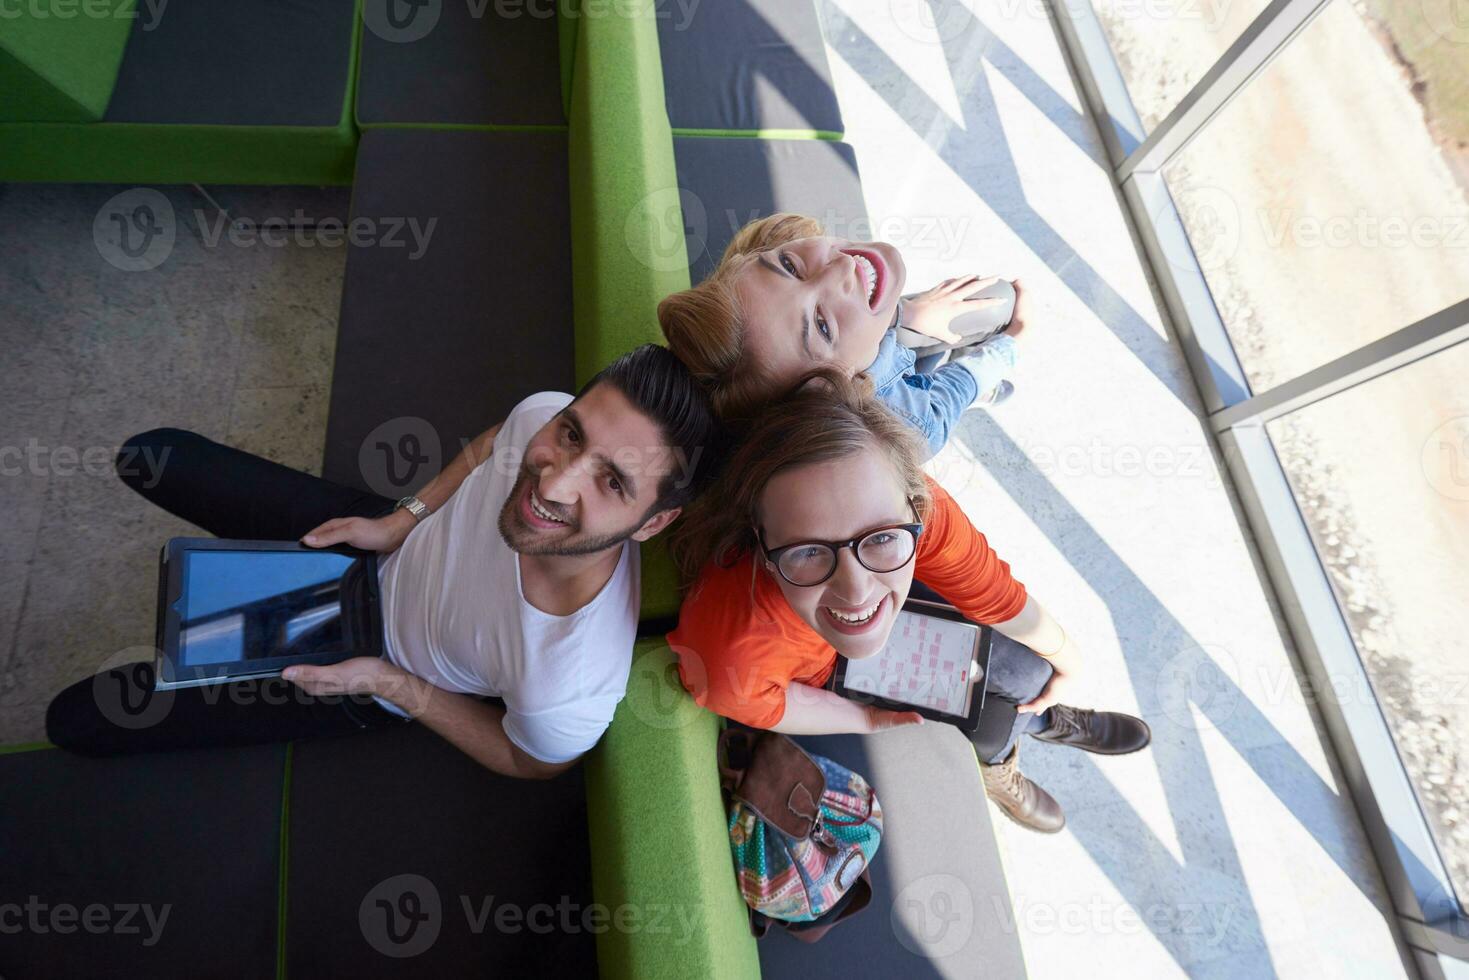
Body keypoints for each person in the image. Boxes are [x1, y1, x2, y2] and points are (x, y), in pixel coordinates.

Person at [46, 344, 723, 780]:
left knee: (80, 719)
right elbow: (496, 439)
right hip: (374, 542)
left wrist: (390, 685)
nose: (552, 483)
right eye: (571, 435)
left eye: (611, 482)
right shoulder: (542, 416)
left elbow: (525, 758)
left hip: (373, 663)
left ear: (654, 522)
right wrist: (404, 517)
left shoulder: (571, 683)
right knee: (153, 454)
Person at [665, 372, 1148, 832]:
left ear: (914, 509)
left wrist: (1070, 660)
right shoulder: (728, 648)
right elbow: (771, 703)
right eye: (807, 551)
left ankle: (1045, 715)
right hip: (821, 668)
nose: (855, 591)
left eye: (880, 538)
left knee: (1032, 673)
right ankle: (1000, 764)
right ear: (761, 542)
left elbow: (995, 594)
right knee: (991, 724)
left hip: (879, 600)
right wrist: (865, 720)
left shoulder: (919, 507)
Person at [658, 212, 1028, 456]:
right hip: (908, 395)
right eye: (821, 325)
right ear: (837, 386)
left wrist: (905, 314)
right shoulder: (909, 422)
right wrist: (1008, 345)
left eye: (789, 265)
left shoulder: (809, 330)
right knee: (996, 316)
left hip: (875, 351)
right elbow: (946, 404)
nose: (842, 266)